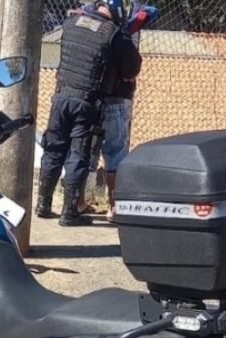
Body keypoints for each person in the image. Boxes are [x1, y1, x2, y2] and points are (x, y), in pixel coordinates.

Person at [36, 0, 138, 227]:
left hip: (60, 97)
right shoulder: (114, 34)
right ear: (117, 11)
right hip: (87, 102)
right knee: (78, 154)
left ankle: (43, 204)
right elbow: (132, 68)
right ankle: (69, 212)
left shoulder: (71, 23)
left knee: (53, 149)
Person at [82, 2, 158, 222]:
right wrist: (132, 23)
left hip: (92, 97)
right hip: (117, 96)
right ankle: (113, 207)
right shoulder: (121, 33)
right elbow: (131, 69)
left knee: (86, 149)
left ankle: (78, 201)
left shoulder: (89, 26)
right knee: (115, 152)